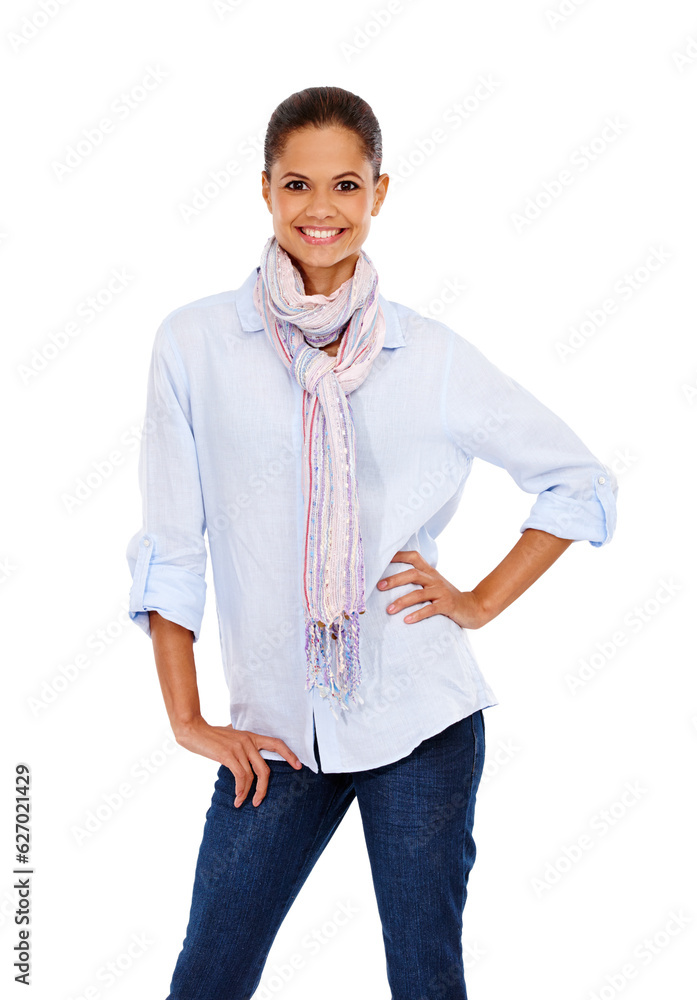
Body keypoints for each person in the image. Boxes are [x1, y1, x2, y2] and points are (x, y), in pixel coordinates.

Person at [125, 86, 618, 1000]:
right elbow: (172, 545)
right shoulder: (195, 344)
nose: (322, 210)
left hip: (417, 716)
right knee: (208, 976)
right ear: (265, 190)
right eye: (299, 185)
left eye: (346, 185)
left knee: (424, 980)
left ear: (379, 194)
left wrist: (472, 601)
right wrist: (189, 720)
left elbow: (578, 481)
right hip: (275, 734)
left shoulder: (426, 356)